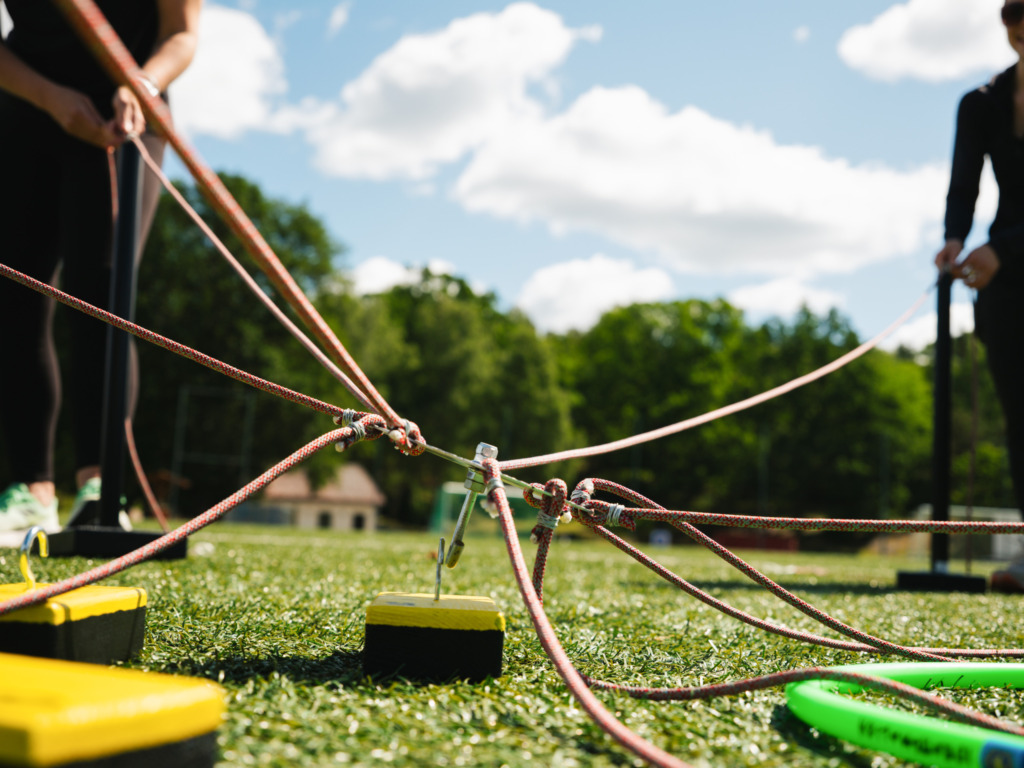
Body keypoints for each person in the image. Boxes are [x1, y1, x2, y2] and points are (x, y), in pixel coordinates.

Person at [0, 0, 200, 533]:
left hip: (127, 114)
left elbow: (180, 34)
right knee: (15, 297)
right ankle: (31, 492)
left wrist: (143, 83)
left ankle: (100, 489)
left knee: (102, 295)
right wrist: (49, 97)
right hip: (26, 107)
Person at [935, 0, 1024, 592]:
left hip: (1007, 257)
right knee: (1021, 415)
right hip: (1007, 284)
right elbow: (964, 180)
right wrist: (954, 241)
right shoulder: (982, 102)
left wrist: (1005, 250)